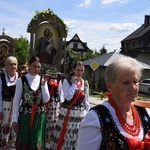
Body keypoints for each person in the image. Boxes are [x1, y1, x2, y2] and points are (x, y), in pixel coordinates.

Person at [76, 57, 150, 150]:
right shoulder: (95, 118)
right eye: (126, 83)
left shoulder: (145, 113)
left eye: (135, 82)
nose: (133, 87)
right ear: (110, 86)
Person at [49, 60, 90, 150]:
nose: (80, 73)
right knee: (65, 137)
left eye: (82, 70)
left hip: (80, 116)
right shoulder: (67, 81)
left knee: (77, 137)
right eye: (78, 70)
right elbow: (68, 97)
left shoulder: (85, 84)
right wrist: (74, 84)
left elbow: (86, 101)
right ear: (73, 70)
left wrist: (87, 115)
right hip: (68, 114)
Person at [12, 56, 50, 149]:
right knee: (24, 140)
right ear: (29, 66)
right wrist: (14, 119)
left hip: (39, 116)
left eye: (39, 67)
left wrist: (43, 85)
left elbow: (46, 99)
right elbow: (16, 100)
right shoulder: (21, 80)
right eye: (34, 66)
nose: (37, 69)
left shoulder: (42, 80)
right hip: (25, 116)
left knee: (37, 142)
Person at [0, 56, 19, 149]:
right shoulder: (2, 77)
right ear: (6, 66)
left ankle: (11, 146)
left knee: (14, 127)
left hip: (16, 107)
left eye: (14, 64)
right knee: (3, 126)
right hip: (4, 106)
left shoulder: (20, 78)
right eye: (10, 64)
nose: (13, 66)